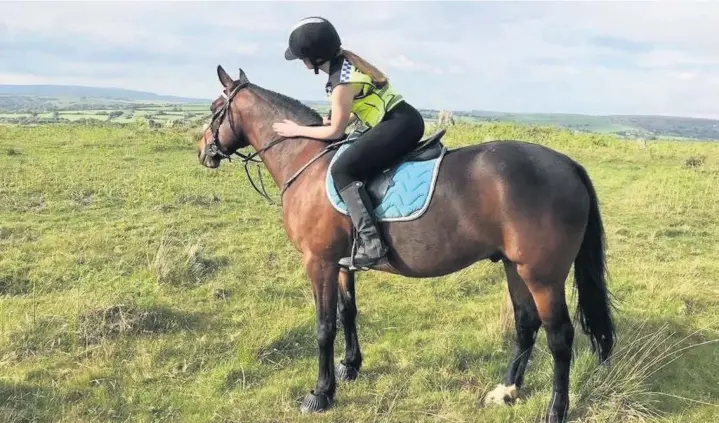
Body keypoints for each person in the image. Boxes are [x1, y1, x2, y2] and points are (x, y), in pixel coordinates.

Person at [272, 16, 426, 270]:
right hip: (402, 119)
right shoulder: (345, 65)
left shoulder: (341, 82)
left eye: (302, 59)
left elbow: (335, 133)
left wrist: (297, 129)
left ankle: (372, 244)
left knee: (342, 170)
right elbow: (361, 107)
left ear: (314, 58)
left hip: (398, 125)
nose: (302, 64)